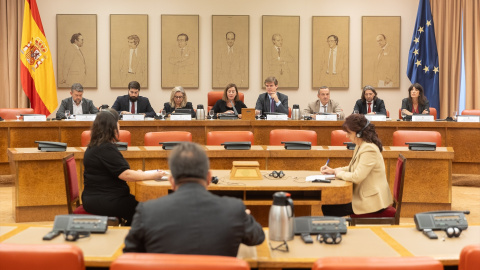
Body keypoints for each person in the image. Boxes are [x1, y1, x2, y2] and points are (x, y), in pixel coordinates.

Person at [123, 142, 265, 256]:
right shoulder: (234, 210)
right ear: (209, 178)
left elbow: (129, 255)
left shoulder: (147, 211)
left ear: (171, 181)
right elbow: (258, 238)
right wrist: (244, 218)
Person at [81, 109, 166, 225]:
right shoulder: (105, 148)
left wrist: (139, 173)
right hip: (104, 199)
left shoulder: (96, 146)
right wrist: (153, 174)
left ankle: (130, 233)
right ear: (111, 127)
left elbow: (117, 171)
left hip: (99, 197)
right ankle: (132, 238)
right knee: (146, 211)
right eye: (117, 122)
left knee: (141, 207)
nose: (119, 125)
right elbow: (125, 175)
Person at [320, 114, 393, 217]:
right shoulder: (361, 145)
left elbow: (357, 177)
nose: (346, 136)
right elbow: (353, 168)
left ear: (359, 133)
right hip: (365, 196)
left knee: (329, 208)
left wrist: (338, 173)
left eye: (349, 133)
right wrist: (334, 170)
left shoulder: (369, 149)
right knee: (329, 205)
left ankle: (336, 232)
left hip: (372, 201)